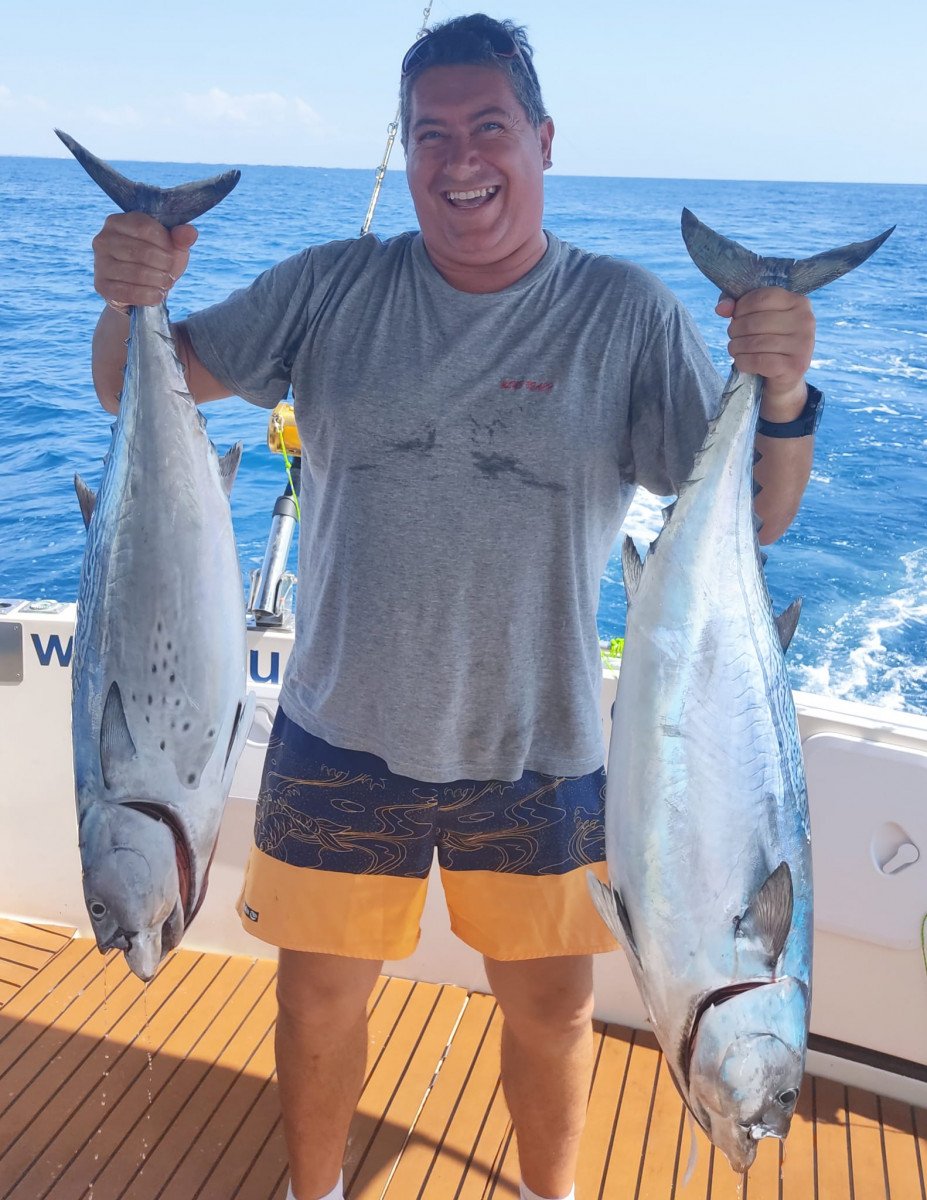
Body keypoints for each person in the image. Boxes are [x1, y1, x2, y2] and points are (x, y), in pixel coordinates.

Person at [88, 14, 818, 1200]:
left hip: (542, 745)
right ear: (406, 147)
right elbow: (138, 381)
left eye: (489, 127)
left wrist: (779, 392)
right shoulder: (329, 286)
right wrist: (131, 296)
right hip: (341, 728)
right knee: (317, 1000)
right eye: (430, 134)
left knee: (551, 1011)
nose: (459, 158)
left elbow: (758, 516)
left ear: (544, 140)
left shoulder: (626, 313)